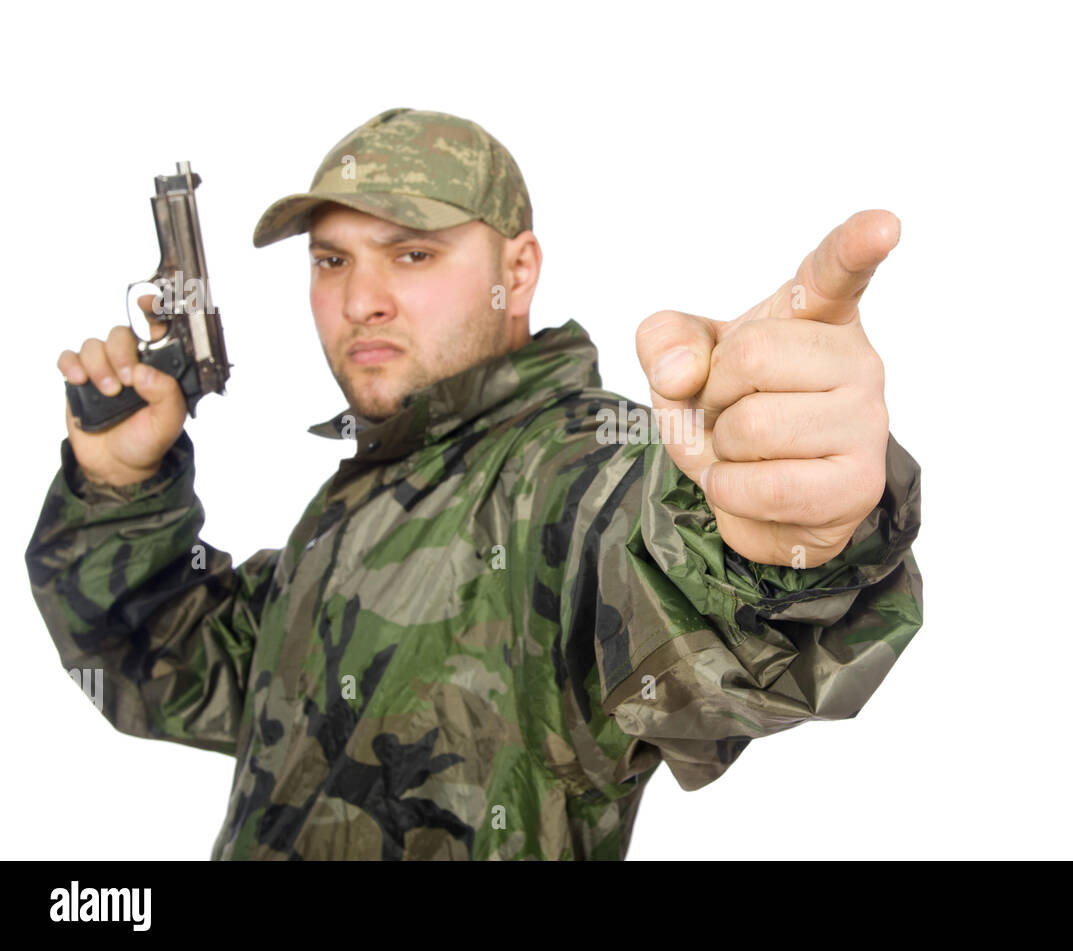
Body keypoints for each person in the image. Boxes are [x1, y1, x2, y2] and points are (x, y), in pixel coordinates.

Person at [26, 108, 924, 860]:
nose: (361, 298)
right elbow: (163, 662)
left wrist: (788, 523)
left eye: (411, 254)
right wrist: (120, 485)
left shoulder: (563, 470)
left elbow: (666, 566)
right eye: (331, 259)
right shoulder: (353, 509)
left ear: (518, 270)